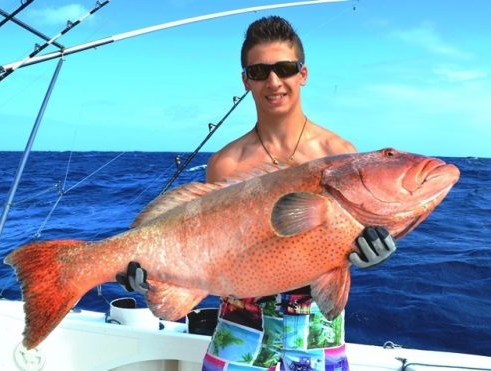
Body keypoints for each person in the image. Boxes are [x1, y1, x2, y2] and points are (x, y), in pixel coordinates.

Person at [118, 16, 396, 371]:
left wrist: (369, 251)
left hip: (319, 339)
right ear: (245, 80)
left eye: (284, 68)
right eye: (260, 71)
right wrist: (150, 274)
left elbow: (339, 249)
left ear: (303, 74)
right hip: (239, 338)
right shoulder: (226, 163)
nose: (274, 81)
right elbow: (209, 254)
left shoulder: (338, 154)